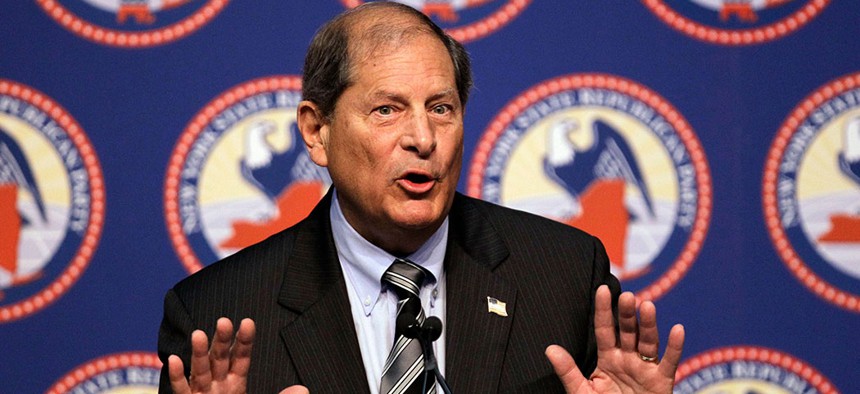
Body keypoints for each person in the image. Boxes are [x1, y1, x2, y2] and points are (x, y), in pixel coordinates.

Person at [157, 2, 685, 393]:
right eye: (387, 110)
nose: (423, 138)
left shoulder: (566, 275)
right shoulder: (216, 314)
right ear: (317, 132)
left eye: (441, 108)